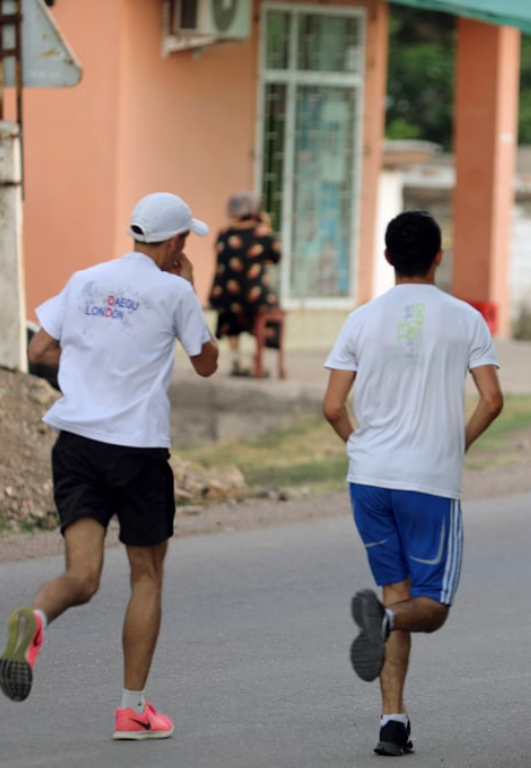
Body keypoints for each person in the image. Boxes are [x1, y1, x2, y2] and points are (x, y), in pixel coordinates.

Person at [0, 192, 219, 741]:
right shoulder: (174, 290)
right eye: (183, 242)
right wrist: (189, 290)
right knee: (145, 575)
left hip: (75, 443)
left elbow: (42, 348)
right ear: (174, 243)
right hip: (136, 450)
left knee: (82, 575)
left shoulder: (87, 279)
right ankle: (131, 710)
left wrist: (95, 357)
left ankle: (37, 621)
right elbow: (208, 363)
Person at [322, 210, 504, 756]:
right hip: (428, 481)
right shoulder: (465, 318)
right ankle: (382, 624)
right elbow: (492, 400)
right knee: (432, 608)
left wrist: (362, 447)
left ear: (386, 259)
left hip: (369, 481)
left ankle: (392, 722)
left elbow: (333, 406)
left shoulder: (360, 319)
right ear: (438, 258)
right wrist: (455, 445)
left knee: (394, 592)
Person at [209, 192, 282, 376]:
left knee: (230, 318)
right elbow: (276, 256)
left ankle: (236, 360)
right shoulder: (262, 233)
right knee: (268, 312)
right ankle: (256, 359)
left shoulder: (224, 233)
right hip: (254, 295)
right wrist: (267, 226)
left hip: (225, 295)